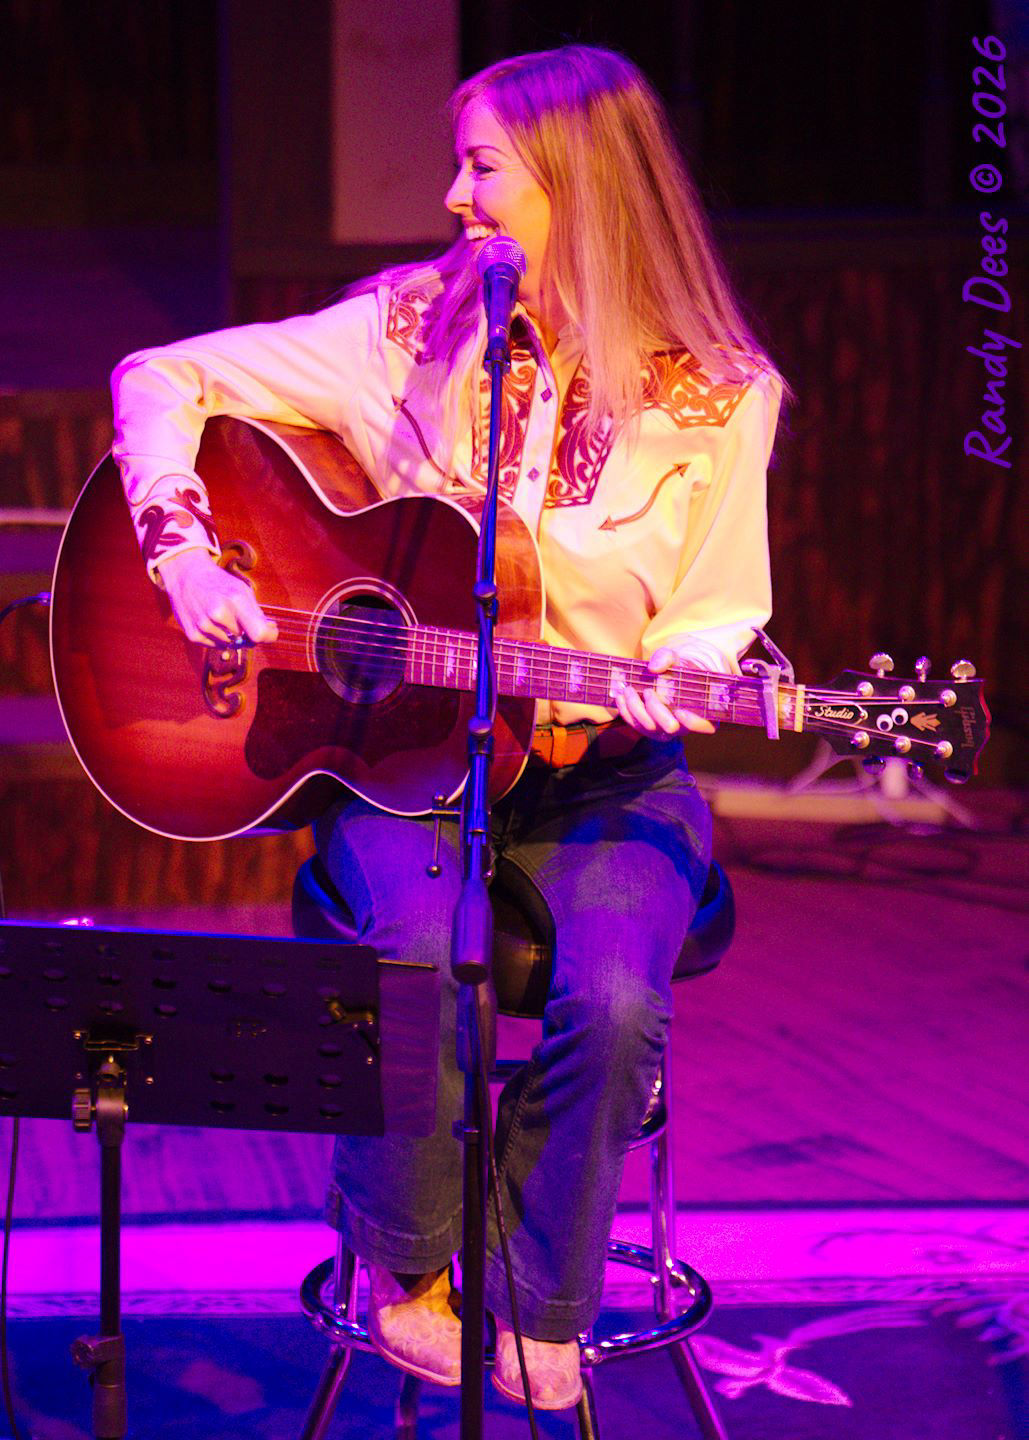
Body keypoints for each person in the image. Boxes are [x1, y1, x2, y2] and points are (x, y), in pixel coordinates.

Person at [110, 45, 783, 1410]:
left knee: (611, 997)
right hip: (409, 766)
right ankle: (405, 1272)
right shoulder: (404, 332)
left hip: (606, 776)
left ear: (575, 186)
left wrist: (673, 668)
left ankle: (540, 1301)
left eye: (483, 166)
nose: (452, 193)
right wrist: (183, 557)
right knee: (420, 959)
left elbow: (716, 608)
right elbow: (156, 377)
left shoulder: (720, 390)